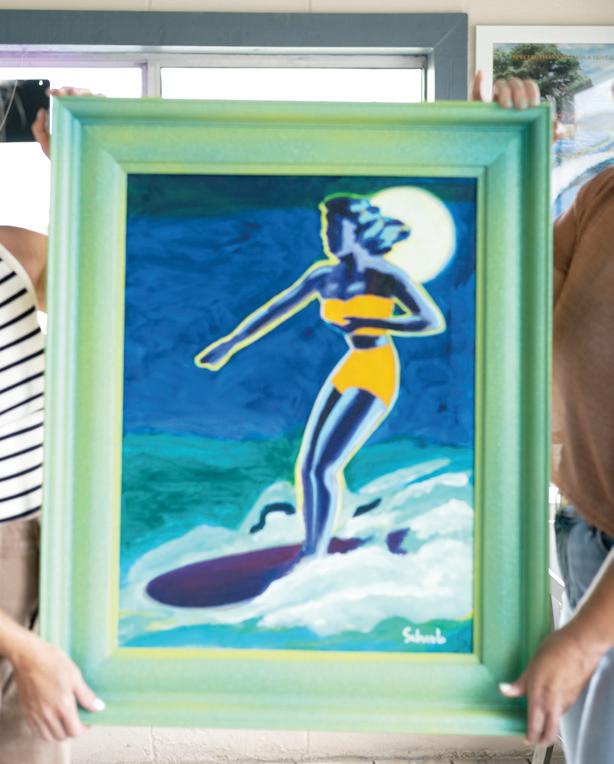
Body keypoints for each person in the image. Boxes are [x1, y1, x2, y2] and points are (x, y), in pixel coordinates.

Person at [473, 71, 614, 761]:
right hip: (588, 527)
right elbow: (515, 292)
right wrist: (494, 158)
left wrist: (585, 638)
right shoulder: (604, 196)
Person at [195, 193, 445, 559]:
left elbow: (431, 320)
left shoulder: (385, 276)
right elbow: (275, 310)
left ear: (358, 231)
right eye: (326, 228)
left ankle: (315, 551)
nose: (327, 236)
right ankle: (315, 541)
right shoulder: (322, 276)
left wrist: (375, 321)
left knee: (324, 466)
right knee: (307, 466)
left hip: (377, 369)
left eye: (335, 228)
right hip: (351, 365)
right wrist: (230, 344)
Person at [0, 88, 104, 763]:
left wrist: (79, 161)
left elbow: (98, 281)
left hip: (43, 548)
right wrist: (22, 648)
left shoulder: (12, 252)